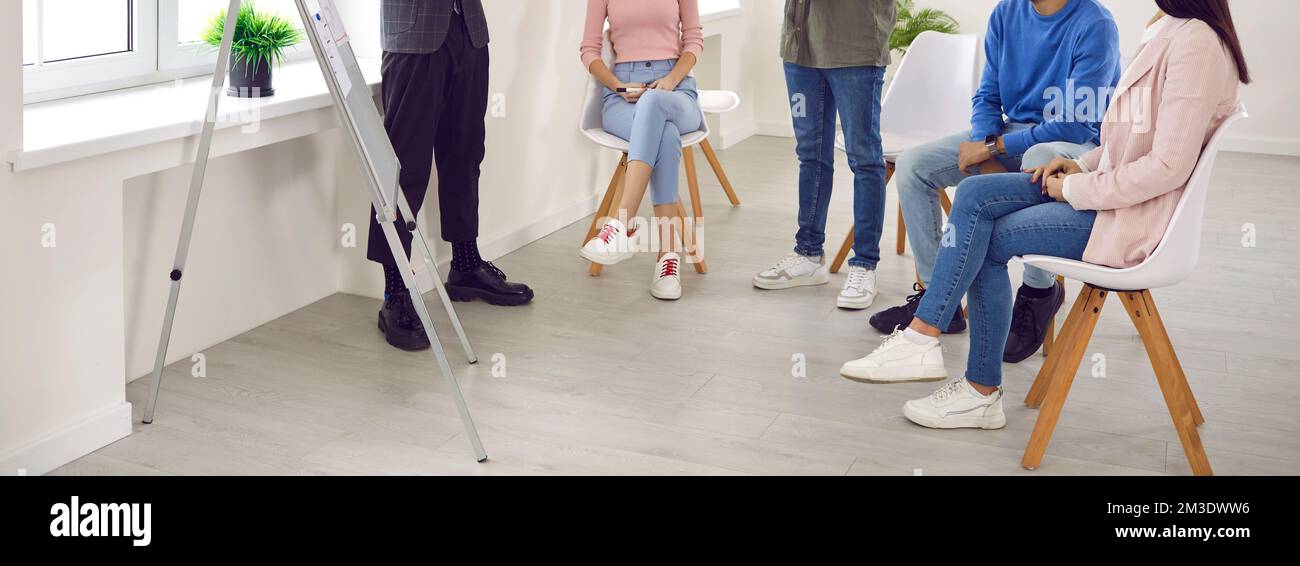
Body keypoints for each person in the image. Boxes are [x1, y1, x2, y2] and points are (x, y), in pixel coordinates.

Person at [839, 0, 1248, 431]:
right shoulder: (1171, 30)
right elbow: (1124, 142)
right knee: (975, 194)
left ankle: (969, 380)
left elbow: (1167, 167)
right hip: (1107, 189)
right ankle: (927, 336)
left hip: (1127, 219)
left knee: (985, 238)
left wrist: (1074, 186)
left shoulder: (1194, 43)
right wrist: (1083, 166)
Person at [871, 0, 1122, 365]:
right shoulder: (1007, 13)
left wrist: (994, 146)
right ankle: (937, 297)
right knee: (913, 165)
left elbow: (1076, 123)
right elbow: (988, 95)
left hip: (1071, 146)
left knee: (1040, 162)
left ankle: (1039, 293)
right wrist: (987, 145)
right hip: (1008, 134)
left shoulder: (1095, 23)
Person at [372, 0, 535, 352]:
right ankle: (395, 291)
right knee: (403, 169)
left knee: (465, 153)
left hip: (469, 31)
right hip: (414, 36)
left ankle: (465, 265)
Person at [751, 0, 897, 312]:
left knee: (864, 158)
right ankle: (808, 254)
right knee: (811, 155)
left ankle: (865, 264)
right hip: (800, 47)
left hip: (855, 46)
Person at [579, 0, 706, 301]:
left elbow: (694, 41)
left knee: (655, 106)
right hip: (622, 95)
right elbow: (589, 51)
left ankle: (622, 224)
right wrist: (619, 87)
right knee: (666, 134)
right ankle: (667, 258)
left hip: (677, 91)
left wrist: (669, 81)